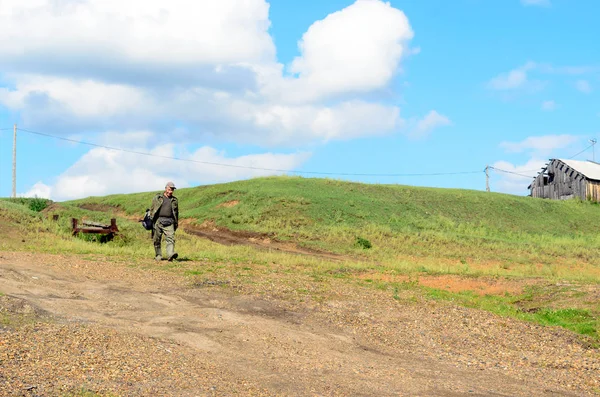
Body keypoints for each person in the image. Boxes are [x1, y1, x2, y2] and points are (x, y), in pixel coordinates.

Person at [150, 181, 179, 261]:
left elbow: (176, 213)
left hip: (169, 222)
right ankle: (158, 255)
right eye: (169, 189)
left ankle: (170, 254)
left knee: (171, 238)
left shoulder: (174, 200)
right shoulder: (158, 198)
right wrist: (151, 218)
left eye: (172, 190)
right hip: (158, 221)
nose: (171, 191)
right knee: (157, 240)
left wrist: (176, 223)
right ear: (166, 188)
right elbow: (152, 208)